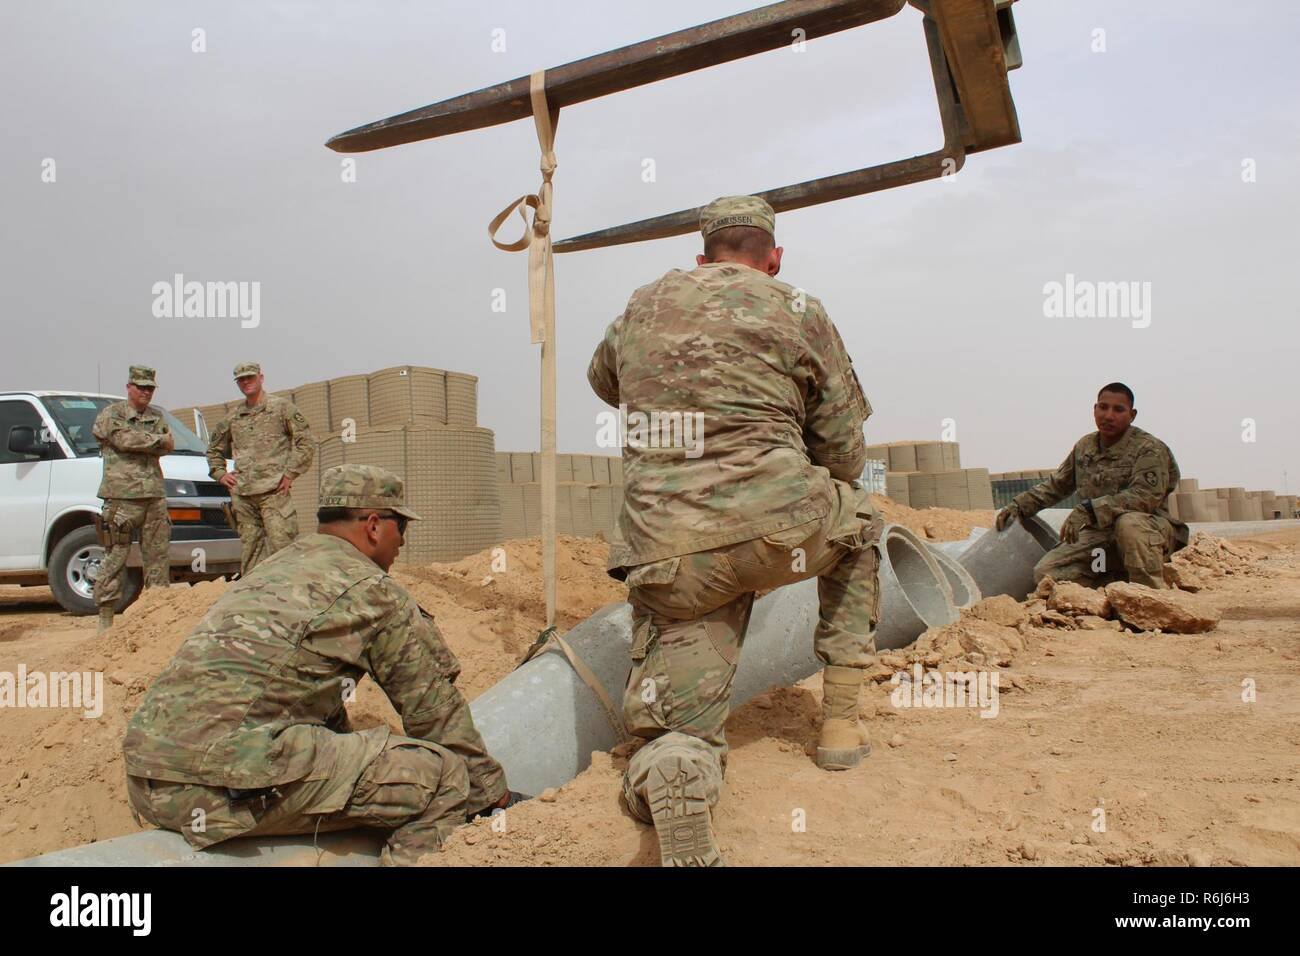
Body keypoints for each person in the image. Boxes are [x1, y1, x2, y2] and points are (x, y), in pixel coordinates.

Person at [587, 195, 881, 866]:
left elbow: (606, 381)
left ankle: (674, 763)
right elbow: (844, 453)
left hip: (671, 557)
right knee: (861, 522)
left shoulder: (641, 304)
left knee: (675, 721)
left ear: (701, 257)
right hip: (780, 532)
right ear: (772, 260)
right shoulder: (797, 308)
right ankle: (839, 723)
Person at [123, 464, 522, 865]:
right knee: (446, 777)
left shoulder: (273, 569)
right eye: (401, 526)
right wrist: (495, 797)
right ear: (373, 525)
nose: (401, 541)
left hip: (146, 782)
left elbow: (299, 698)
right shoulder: (372, 590)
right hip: (217, 791)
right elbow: (434, 714)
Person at [995, 382, 1188, 588]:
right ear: (1094, 410)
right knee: (1047, 574)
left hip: (1148, 530)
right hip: (1101, 534)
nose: (1108, 415)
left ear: (1132, 415)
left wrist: (1091, 510)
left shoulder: (1149, 448)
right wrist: (1019, 505)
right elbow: (1057, 485)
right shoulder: (1085, 447)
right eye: (1103, 407)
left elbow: (1145, 497)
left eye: (1118, 409)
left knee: (1129, 524)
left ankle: (1150, 599)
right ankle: (1109, 589)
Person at [206, 361, 315, 575]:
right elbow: (213, 451)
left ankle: (287, 598)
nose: (246, 382)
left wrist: (291, 473)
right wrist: (219, 474)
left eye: (250, 377)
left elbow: (306, 442)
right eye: (241, 380)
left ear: (261, 378)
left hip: (273, 493)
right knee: (250, 553)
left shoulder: (282, 409)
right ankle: (253, 599)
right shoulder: (232, 418)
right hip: (244, 497)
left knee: (283, 550)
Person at [91, 365, 174, 632]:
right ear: (129, 387)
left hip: (154, 496)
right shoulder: (111, 414)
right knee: (115, 555)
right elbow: (123, 440)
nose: (146, 392)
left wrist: (151, 441)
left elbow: (170, 444)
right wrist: (155, 440)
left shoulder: (157, 415)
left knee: (158, 557)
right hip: (121, 497)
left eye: (150, 388)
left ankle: (156, 615)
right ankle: (106, 616)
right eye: (141, 387)